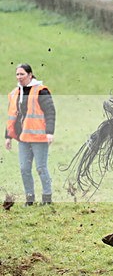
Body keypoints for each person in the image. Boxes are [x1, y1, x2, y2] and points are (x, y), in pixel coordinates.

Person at [5, 64, 56, 205]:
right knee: (24, 169)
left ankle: (47, 198)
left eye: (22, 74)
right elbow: (12, 115)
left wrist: (50, 132)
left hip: (39, 137)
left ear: (30, 74)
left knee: (41, 168)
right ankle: (30, 199)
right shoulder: (15, 92)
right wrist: (8, 136)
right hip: (23, 137)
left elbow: (50, 112)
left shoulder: (41, 91)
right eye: (17, 74)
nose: (19, 77)